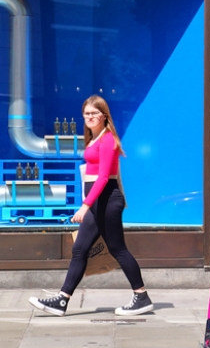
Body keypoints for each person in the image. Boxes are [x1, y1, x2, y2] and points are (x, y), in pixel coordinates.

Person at [29, 96, 152, 316]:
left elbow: (103, 177)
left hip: (106, 201)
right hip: (97, 203)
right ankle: (62, 300)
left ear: (105, 115)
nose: (90, 117)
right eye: (86, 113)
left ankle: (141, 297)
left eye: (94, 113)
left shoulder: (107, 141)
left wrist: (84, 206)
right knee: (79, 249)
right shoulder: (94, 139)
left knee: (118, 249)